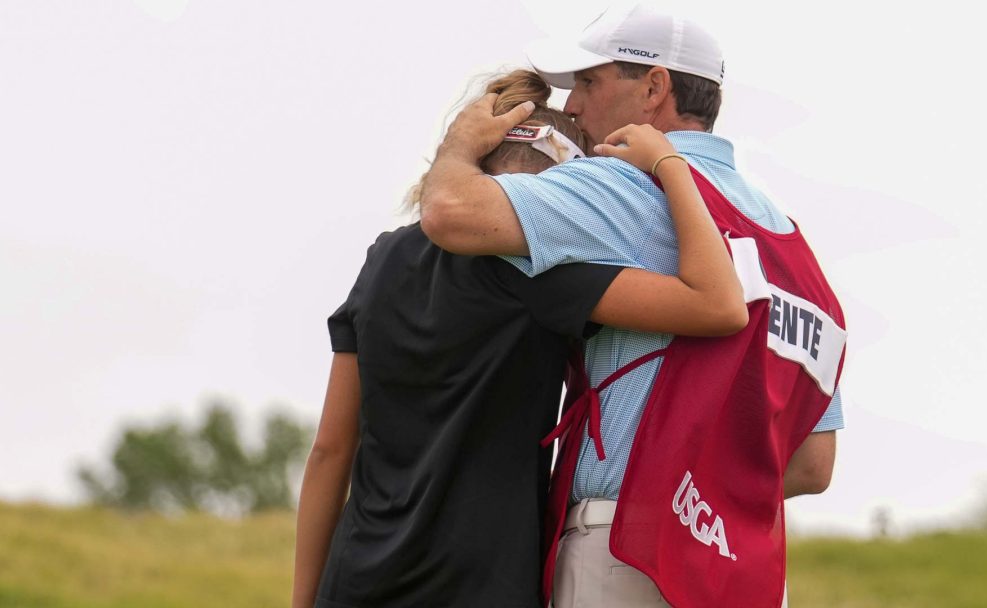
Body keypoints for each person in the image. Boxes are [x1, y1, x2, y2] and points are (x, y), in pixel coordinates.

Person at [419, 3, 846, 606]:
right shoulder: (792, 246)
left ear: (653, 89)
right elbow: (811, 465)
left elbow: (449, 214)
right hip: (741, 565)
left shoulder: (623, 183)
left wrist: (461, 142)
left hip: (623, 548)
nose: (571, 107)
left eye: (589, 83)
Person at [291, 69, 748, 608]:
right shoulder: (541, 274)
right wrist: (668, 165)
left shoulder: (384, 256)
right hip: (483, 585)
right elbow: (717, 303)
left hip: (355, 582)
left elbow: (329, 450)